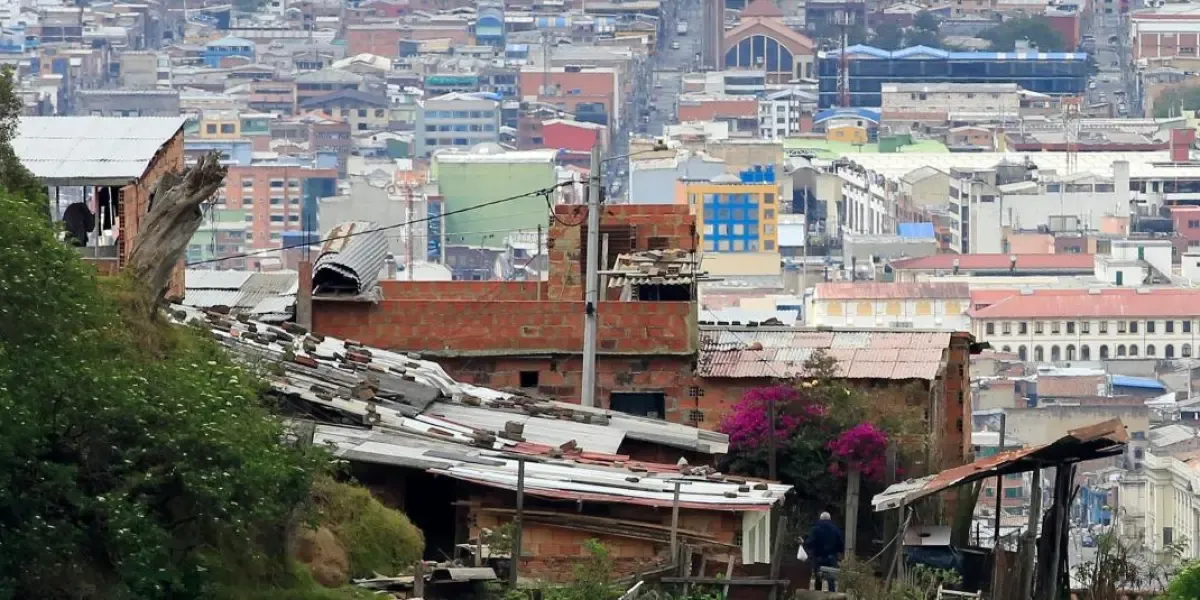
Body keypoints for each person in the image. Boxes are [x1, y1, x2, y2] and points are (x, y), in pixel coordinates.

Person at [805, 512, 844, 592]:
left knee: (818, 578)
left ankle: (818, 594)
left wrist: (806, 545)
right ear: (830, 519)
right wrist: (838, 553)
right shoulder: (835, 529)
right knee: (831, 579)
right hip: (831, 557)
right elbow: (840, 544)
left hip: (818, 557)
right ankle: (832, 595)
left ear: (820, 519)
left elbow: (810, 543)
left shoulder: (815, 529)